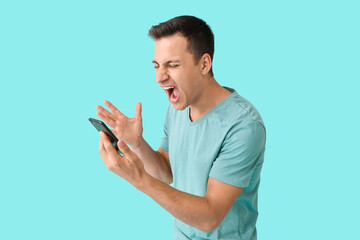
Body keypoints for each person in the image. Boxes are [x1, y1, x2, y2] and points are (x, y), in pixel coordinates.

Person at [95, 15, 266, 240]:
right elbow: (166, 172)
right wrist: (137, 143)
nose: (159, 77)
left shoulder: (244, 125)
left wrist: (139, 180)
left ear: (204, 64)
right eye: (156, 66)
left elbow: (210, 216)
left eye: (172, 65)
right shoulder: (178, 107)